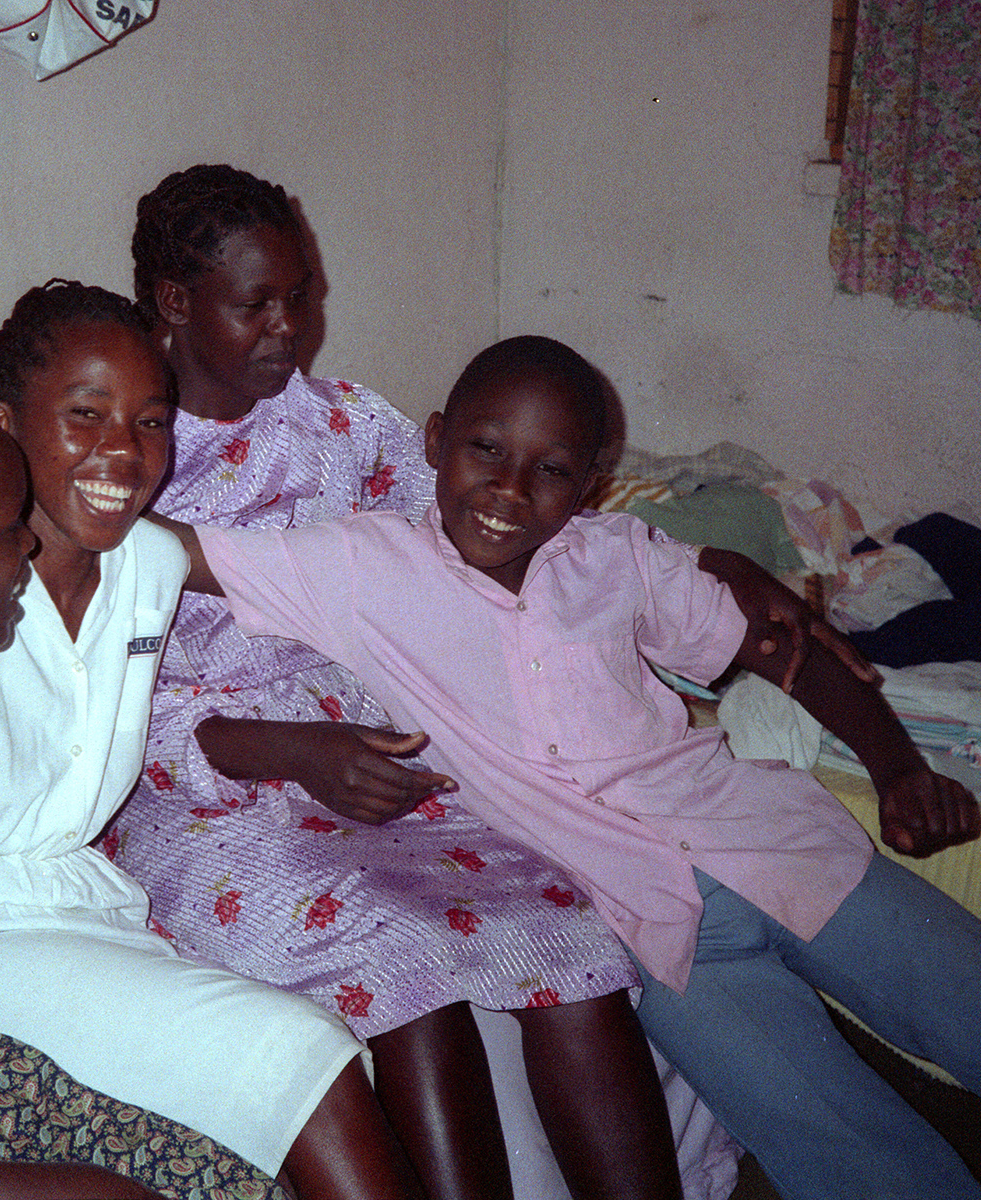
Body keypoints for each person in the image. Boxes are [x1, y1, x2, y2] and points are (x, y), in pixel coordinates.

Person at [164, 334, 981, 1200]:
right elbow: (179, 553)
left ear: (588, 482)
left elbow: (788, 648)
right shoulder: (364, 567)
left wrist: (898, 772)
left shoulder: (618, 557)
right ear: (435, 443)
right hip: (661, 939)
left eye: (550, 470)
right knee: (839, 1148)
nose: (510, 490)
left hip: (777, 844)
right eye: (486, 450)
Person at [0, 284, 426, 1200]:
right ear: (5, 426)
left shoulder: (144, 566)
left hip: (34, 954)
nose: (124, 450)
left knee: (242, 1157)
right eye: (86, 416)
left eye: (153, 421)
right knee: (298, 1064)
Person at [116, 163, 683, 1200]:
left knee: (570, 923)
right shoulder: (133, 463)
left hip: (379, 766)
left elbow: (486, 519)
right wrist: (294, 753)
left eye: (302, 296)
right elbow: (105, 698)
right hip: (212, 797)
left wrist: (664, 568)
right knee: (402, 958)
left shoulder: (343, 427)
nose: (290, 327)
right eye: (258, 305)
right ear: (175, 303)